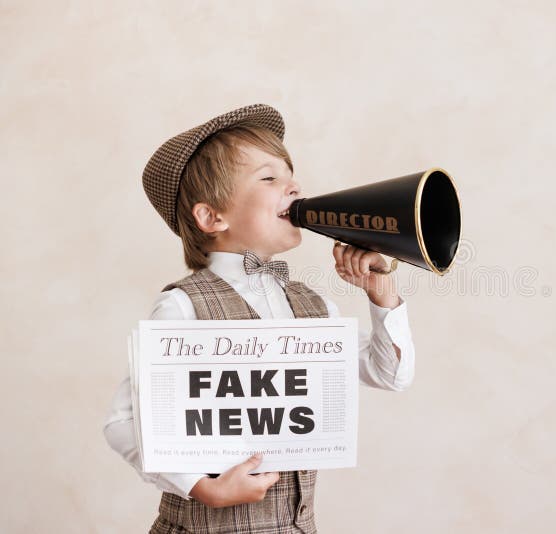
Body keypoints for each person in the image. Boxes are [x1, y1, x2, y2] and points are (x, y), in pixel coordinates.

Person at [103, 103, 415, 534]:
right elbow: (122, 422)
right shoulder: (183, 306)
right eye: (269, 178)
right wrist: (199, 486)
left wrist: (381, 295)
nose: (294, 186)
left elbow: (390, 373)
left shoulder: (312, 304)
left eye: (290, 175)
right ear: (212, 216)